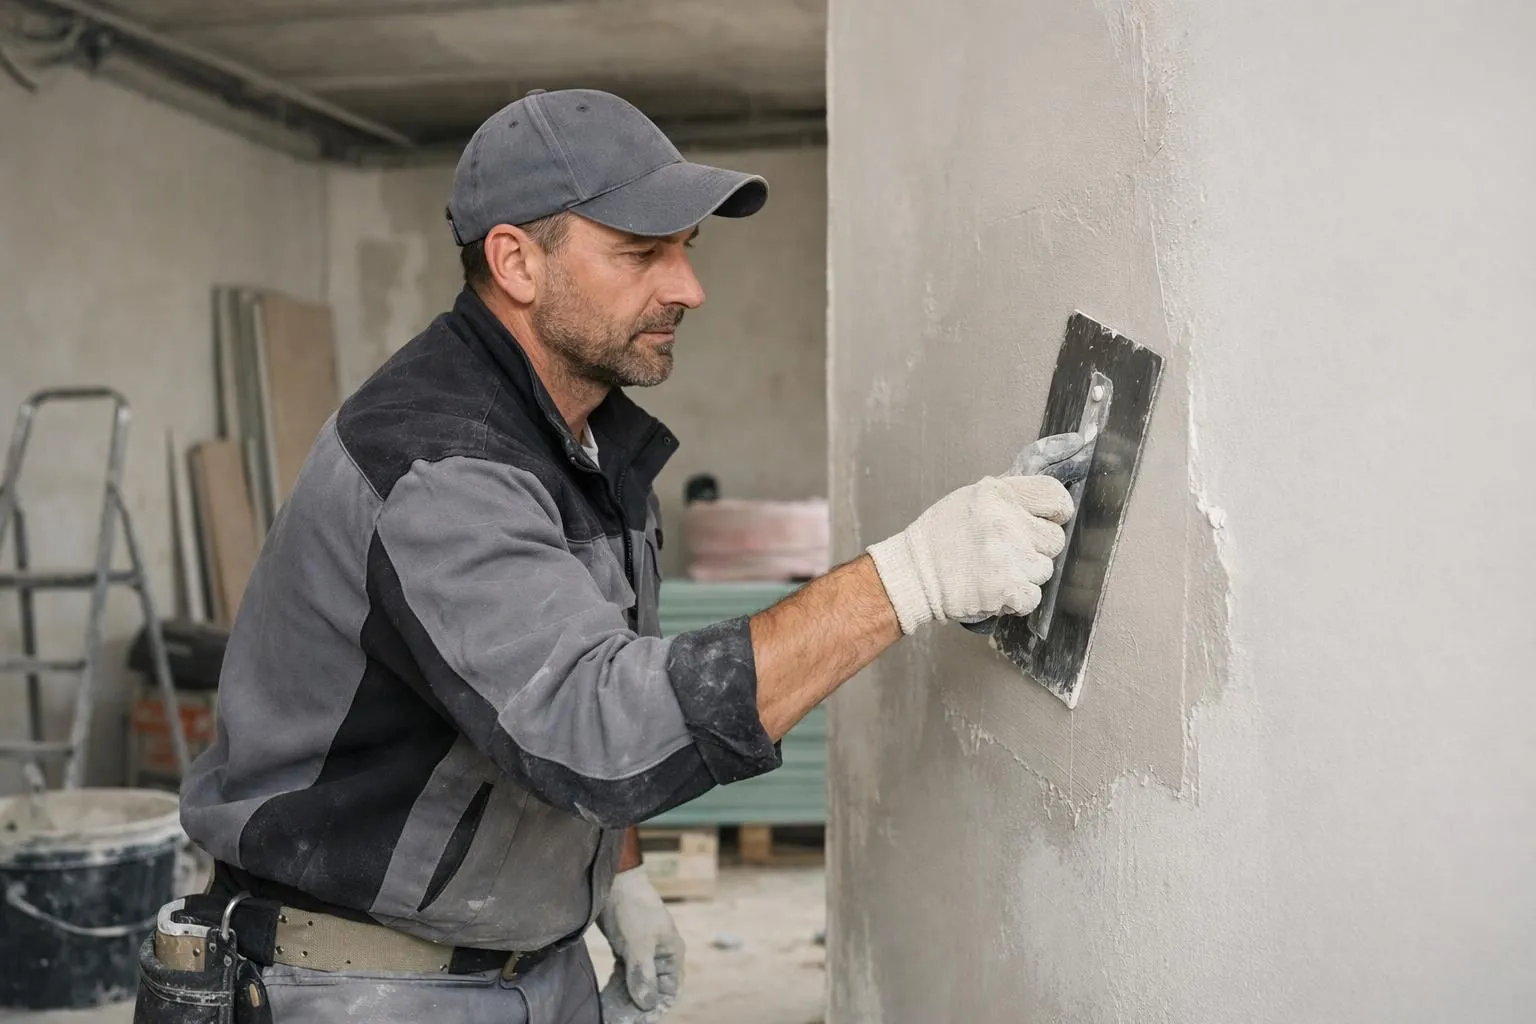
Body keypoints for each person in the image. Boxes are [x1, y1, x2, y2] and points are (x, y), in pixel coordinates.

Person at [170, 88, 1074, 1023]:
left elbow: (575, 673)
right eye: (642, 254)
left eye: (686, 248)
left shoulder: (586, 441)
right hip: (360, 984)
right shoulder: (441, 469)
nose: (688, 287)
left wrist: (618, 875)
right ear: (515, 262)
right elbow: (595, 725)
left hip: (524, 962)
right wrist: (912, 576)